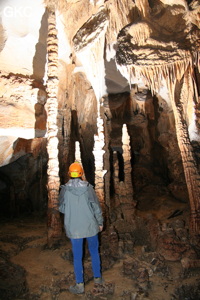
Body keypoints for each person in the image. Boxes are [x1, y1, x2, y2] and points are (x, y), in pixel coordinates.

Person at [59, 161, 104, 294]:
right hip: (90, 226)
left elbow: (61, 207)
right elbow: (96, 206)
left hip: (74, 228)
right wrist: (100, 222)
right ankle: (98, 278)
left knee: (77, 256)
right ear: (81, 173)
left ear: (69, 174)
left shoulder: (65, 190)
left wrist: (72, 210)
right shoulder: (88, 188)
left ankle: (79, 285)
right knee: (94, 251)